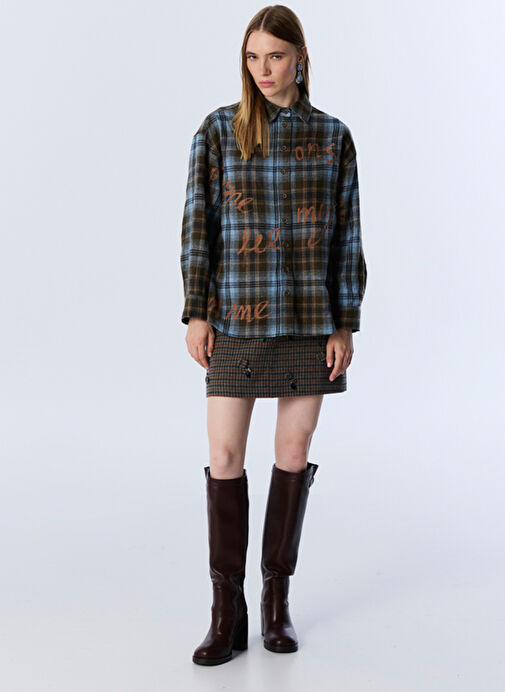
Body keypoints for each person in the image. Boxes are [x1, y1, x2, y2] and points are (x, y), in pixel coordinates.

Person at [180, 5, 367, 666]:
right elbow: (198, 225)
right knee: (225, 454)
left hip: (310, 320)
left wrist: (344, 321)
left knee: (293, 449)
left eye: (276, 56)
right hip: (235, 316)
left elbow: (347, 236)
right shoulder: (218, 131)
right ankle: (225, 613)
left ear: (300, 59)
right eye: (253, 57)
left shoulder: (334, 137)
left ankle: (274, 602)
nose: (264, 69)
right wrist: (196, 310)